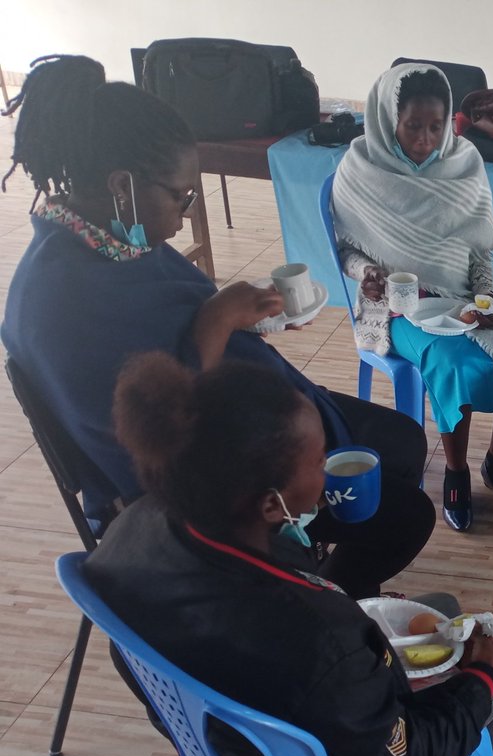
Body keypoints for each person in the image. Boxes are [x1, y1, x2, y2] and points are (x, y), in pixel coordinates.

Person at [84, 353, 493, 756]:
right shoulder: (318, 634)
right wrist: (481, 678)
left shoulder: (130, 532)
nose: (328, 473)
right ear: (272, 502)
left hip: (221, 746)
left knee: (440, 607)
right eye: (319, 461)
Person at [0, 55, 433, 599]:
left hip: (253, 418)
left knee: (403, 442)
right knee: (405, 517)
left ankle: (330, 565)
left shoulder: (109, 242)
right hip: (219, 483)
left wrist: (245, 320)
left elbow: (171, 327)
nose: (184, 215)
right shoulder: (65, 304)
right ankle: (317, 600)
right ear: (122, 187)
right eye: (181, 195)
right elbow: (156, 442)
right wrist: (219, 316)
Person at [332, 64, 493, 533]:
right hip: (398, 306)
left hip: (461, 296)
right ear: (386, 117)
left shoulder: (464, 162)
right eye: (413, 125)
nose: (425, 139)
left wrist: (487, 300)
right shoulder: (359, 167)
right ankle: (455, 472)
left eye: (436, 126)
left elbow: (478, 252)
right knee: (453, 364)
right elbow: (348, 250)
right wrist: (366, 273)